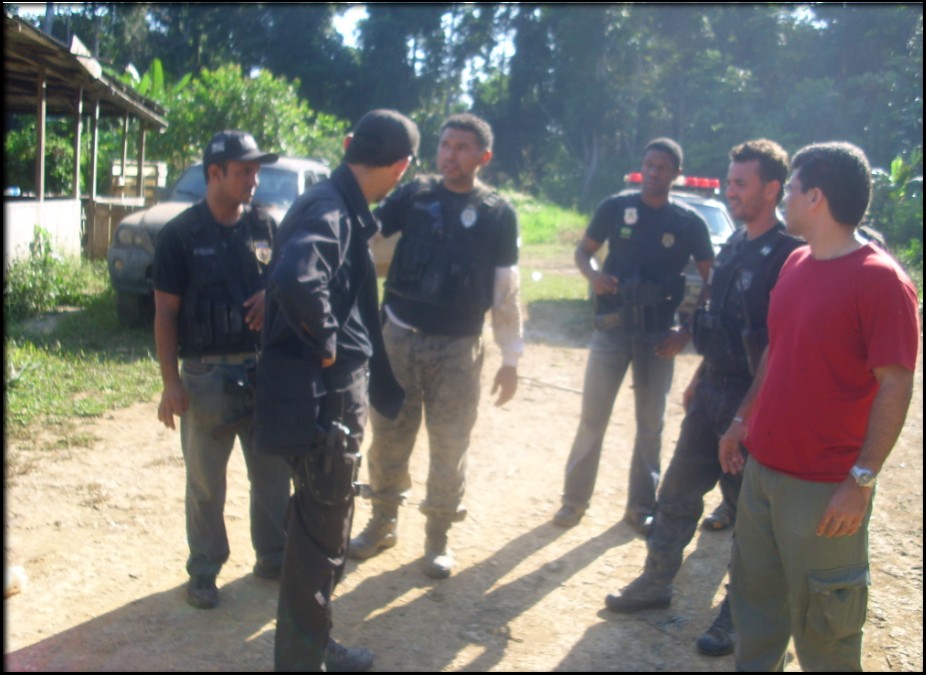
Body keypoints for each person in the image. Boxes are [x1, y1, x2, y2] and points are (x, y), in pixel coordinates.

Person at [719, 142, 919, 671]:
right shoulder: (796, 261)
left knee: (826, 636)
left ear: (816, 197)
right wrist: (742, 420)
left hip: (824, 491)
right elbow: (777, 351)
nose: (783, 198)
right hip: (763, 473)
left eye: (790, 188)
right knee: (755, 616)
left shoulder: (881, 281)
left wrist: (861, 481)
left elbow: (896, 385)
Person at [604, 140, 803, 658]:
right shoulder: (735, 241)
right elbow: (716, 311)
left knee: (749, 517)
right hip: (713, 390)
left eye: (740, 183)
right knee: (676, 492)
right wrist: (699, 373)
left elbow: (777, 347)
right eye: (728, 181)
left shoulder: (789, 255)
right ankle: (655, 581)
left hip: (752, 402)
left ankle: (740, 614)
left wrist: (745, 415)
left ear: (771, 189)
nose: (729, 190)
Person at [253, 109, 418, 673]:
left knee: (318, 530)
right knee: (320, 536)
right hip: (327, 400)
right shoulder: (331, 208)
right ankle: (304, 660)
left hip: (321, 398)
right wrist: (326, 342)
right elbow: (297, 277)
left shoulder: (333, 202)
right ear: (401, 166)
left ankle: (314, 647)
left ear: (349, 143)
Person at [348, 113, 523, 579]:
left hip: (458, 349)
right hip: (398, 338)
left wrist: (511, 358)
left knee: (449, 444)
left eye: (463, 148)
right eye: (446, 145)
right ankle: (382, 522)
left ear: (484, 157)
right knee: (388, 436)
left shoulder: (498, 214)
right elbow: (365, 234)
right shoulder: (414, 195)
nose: (451, 155)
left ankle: (438, 535)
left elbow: (506, 290)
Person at [153, 130, 291, 610]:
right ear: (215, 173)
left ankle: (273, 557)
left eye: (257, 170)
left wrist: (272, 294)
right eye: (244, 171)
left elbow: (288, 281)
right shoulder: (180, 235)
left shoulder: (265, 225)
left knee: (272, 473)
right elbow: (165, 313)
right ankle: (204, 570)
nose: (254, 180)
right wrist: (170, 383)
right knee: (206, 482)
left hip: (263, 371)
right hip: (206, 376)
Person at [553, 138, 714, 535]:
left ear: (677, 173)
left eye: (662, 167)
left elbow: (712, 279)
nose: (654, 173)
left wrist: (687, 330)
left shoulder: (689, 222)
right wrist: (594, 276)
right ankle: (573, 501)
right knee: (593, 418)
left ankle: (640, 507)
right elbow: (583, 252)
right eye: (649, 165)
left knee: (650, 425)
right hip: (613, 330)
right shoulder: (615, 208)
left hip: (660, 335)